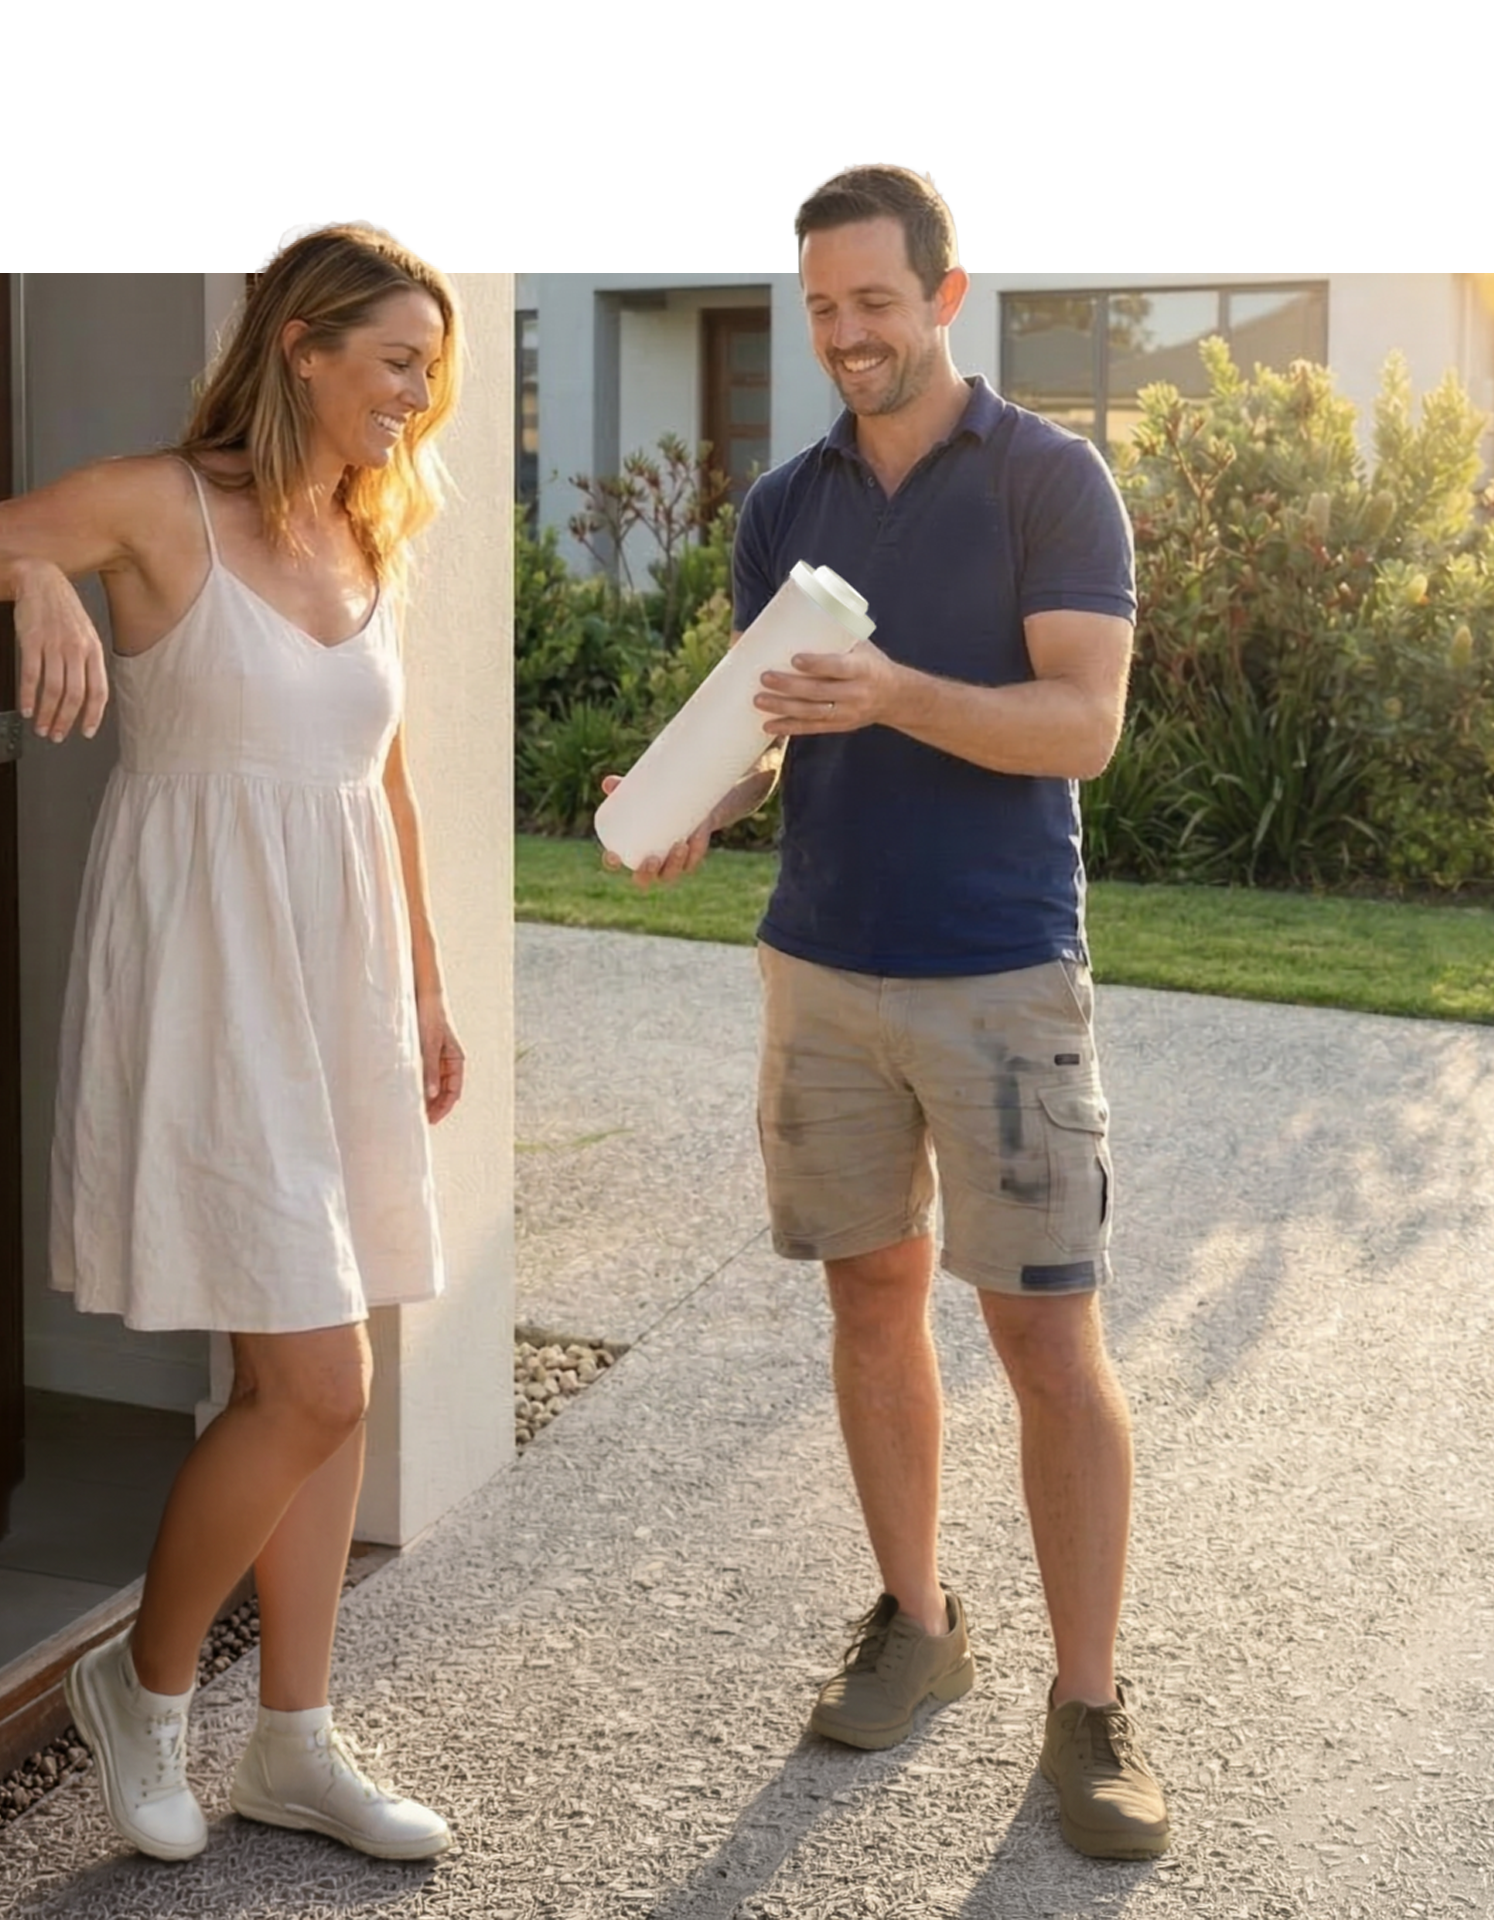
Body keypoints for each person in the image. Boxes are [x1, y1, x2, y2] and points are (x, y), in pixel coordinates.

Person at [609, 163, 1170, 1860]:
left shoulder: (1053, 483)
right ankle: (918, 1622)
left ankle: (1089, 1708)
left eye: (874, 299)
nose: (847, 333)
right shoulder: (786, 504)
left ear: (945, 291)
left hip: (1000, 970)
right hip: (824, 962)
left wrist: (899, 695)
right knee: (870, 1303)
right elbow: (778, 719)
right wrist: (704, 791)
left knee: (1047, 1342)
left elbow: (1081, 728)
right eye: (820, 306)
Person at [0, 223, 466, 1865]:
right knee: (313, 1378)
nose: (419, 399)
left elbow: (391, 780)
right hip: (210, 988)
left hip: (342, 987)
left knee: (325, 1376)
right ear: (300, 345)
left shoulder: (366, 533)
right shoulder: (157, 507)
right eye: (397, 363)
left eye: (432, 368)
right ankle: (143, 1691)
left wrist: (423, 990)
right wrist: (25, 576)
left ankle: (292, 1741)